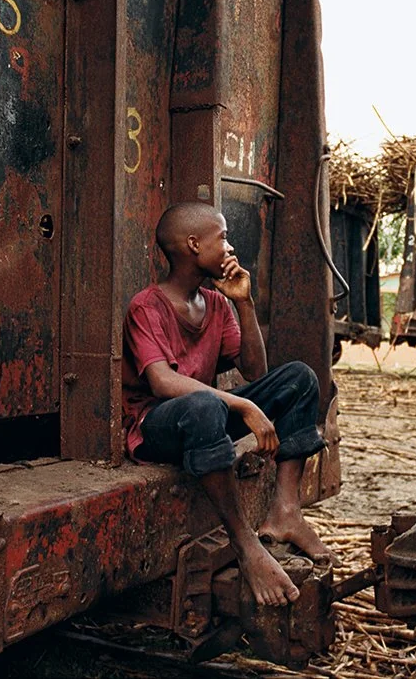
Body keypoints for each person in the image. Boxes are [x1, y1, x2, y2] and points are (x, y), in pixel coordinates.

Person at [122, 202, 332, 607]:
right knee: (204, 405)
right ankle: (245, 543)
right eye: (223, 237)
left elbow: (256, 370)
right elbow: (162, 382)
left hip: (208, 416)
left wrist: (244, 302)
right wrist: (243, 407)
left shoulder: (216, 304)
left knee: (300, 379)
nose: (230, 246)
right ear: (193, 244)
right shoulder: (146, 306)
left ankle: (286, 511)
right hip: (157, 426)